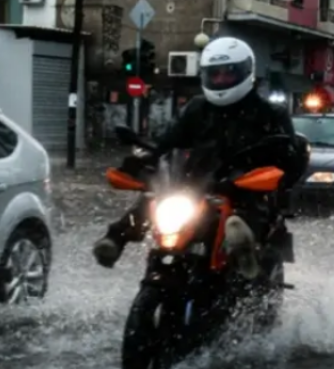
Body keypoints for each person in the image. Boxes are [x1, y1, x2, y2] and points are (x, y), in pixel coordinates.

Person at [93, 36, 309, 274]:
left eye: (228, 74)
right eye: (214, 74)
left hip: (243, 189)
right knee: (154, 198)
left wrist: (282, 163)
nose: (220, 79)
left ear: (246, 72)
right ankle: (114, 240)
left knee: (246, 213)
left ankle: (244, 254)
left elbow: (289, 160)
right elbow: (168, 143)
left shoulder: (269, 113)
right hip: (196, 185)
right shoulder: (197, 108)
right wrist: (144, 161)